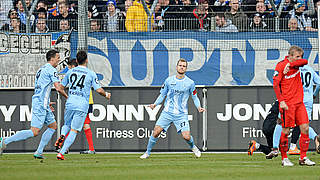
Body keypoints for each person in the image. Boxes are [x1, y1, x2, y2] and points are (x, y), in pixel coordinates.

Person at [0, 50, 68, 159]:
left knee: (53, 126)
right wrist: (68, 98)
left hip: (42, 103)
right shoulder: (52, 70)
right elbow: (58, 88)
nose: (59, 60)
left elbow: (41, 88)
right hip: (40, 103)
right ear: (52, 58)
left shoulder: (41, 69)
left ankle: (39, 152)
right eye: (58, 57)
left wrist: (47, 102)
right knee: (34, 131)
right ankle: (4, 141)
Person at [140, 58, 205, 159]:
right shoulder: (169, 81)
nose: (182, 67)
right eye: (180, 65)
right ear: (176, 67)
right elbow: (162, 95)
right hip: (167, 113)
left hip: (181, 114)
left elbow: (195, 97)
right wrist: (155, 104)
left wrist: (199, 107)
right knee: (156, 131)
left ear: (186, 69)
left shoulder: (190, 83)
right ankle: (147, 153)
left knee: (186, 136)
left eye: (184, 66)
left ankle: (194, 148)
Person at [56, 51, 111, 160]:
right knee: (74, 130)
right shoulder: (90, 73)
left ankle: (62, 135)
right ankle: (61, 153)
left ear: (76, 61)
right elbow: (99, 90)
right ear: (86, 60)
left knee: (66, 124)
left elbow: (60, 88)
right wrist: (106, 94)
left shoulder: (70, 72)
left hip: (70, 103)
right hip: (82, 105)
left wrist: (67, 96)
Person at [273, 45, 315, 166]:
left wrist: (290, 65)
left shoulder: (295, 64)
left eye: (300, 56)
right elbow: (276, 85)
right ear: (290, 56)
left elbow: (305, 61)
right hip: (287, 104)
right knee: (286, 130)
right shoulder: (280, 66)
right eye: (297, 56)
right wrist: (281, 101)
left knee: (305, 128)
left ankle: (303, 157)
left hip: (299, 103)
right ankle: (284, 158)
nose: (299, 58)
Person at [55, 58, 97, 154]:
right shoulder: (87, 73)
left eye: (69, 67)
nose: (69, 69)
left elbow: (61, 88)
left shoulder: (73, 73)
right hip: (85, 102)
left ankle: (65, 147)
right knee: (82, 125)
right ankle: (89, 149)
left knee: (72, 125)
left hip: (80, 102)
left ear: (73, 66)